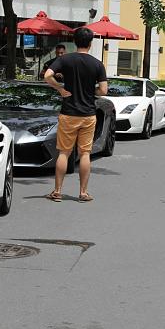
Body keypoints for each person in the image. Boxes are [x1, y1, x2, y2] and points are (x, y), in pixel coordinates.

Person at [44, 28, 107, 203]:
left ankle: (57, 191)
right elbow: (103, 90)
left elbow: (48, 76)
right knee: (85, 153)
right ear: (90, 43)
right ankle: (83, 193)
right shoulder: (97, 64)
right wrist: (90, 90)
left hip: (68, 113)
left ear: (75, 42)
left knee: (64, 153)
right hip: (88, 114)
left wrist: (60, 89)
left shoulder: (64, 59)